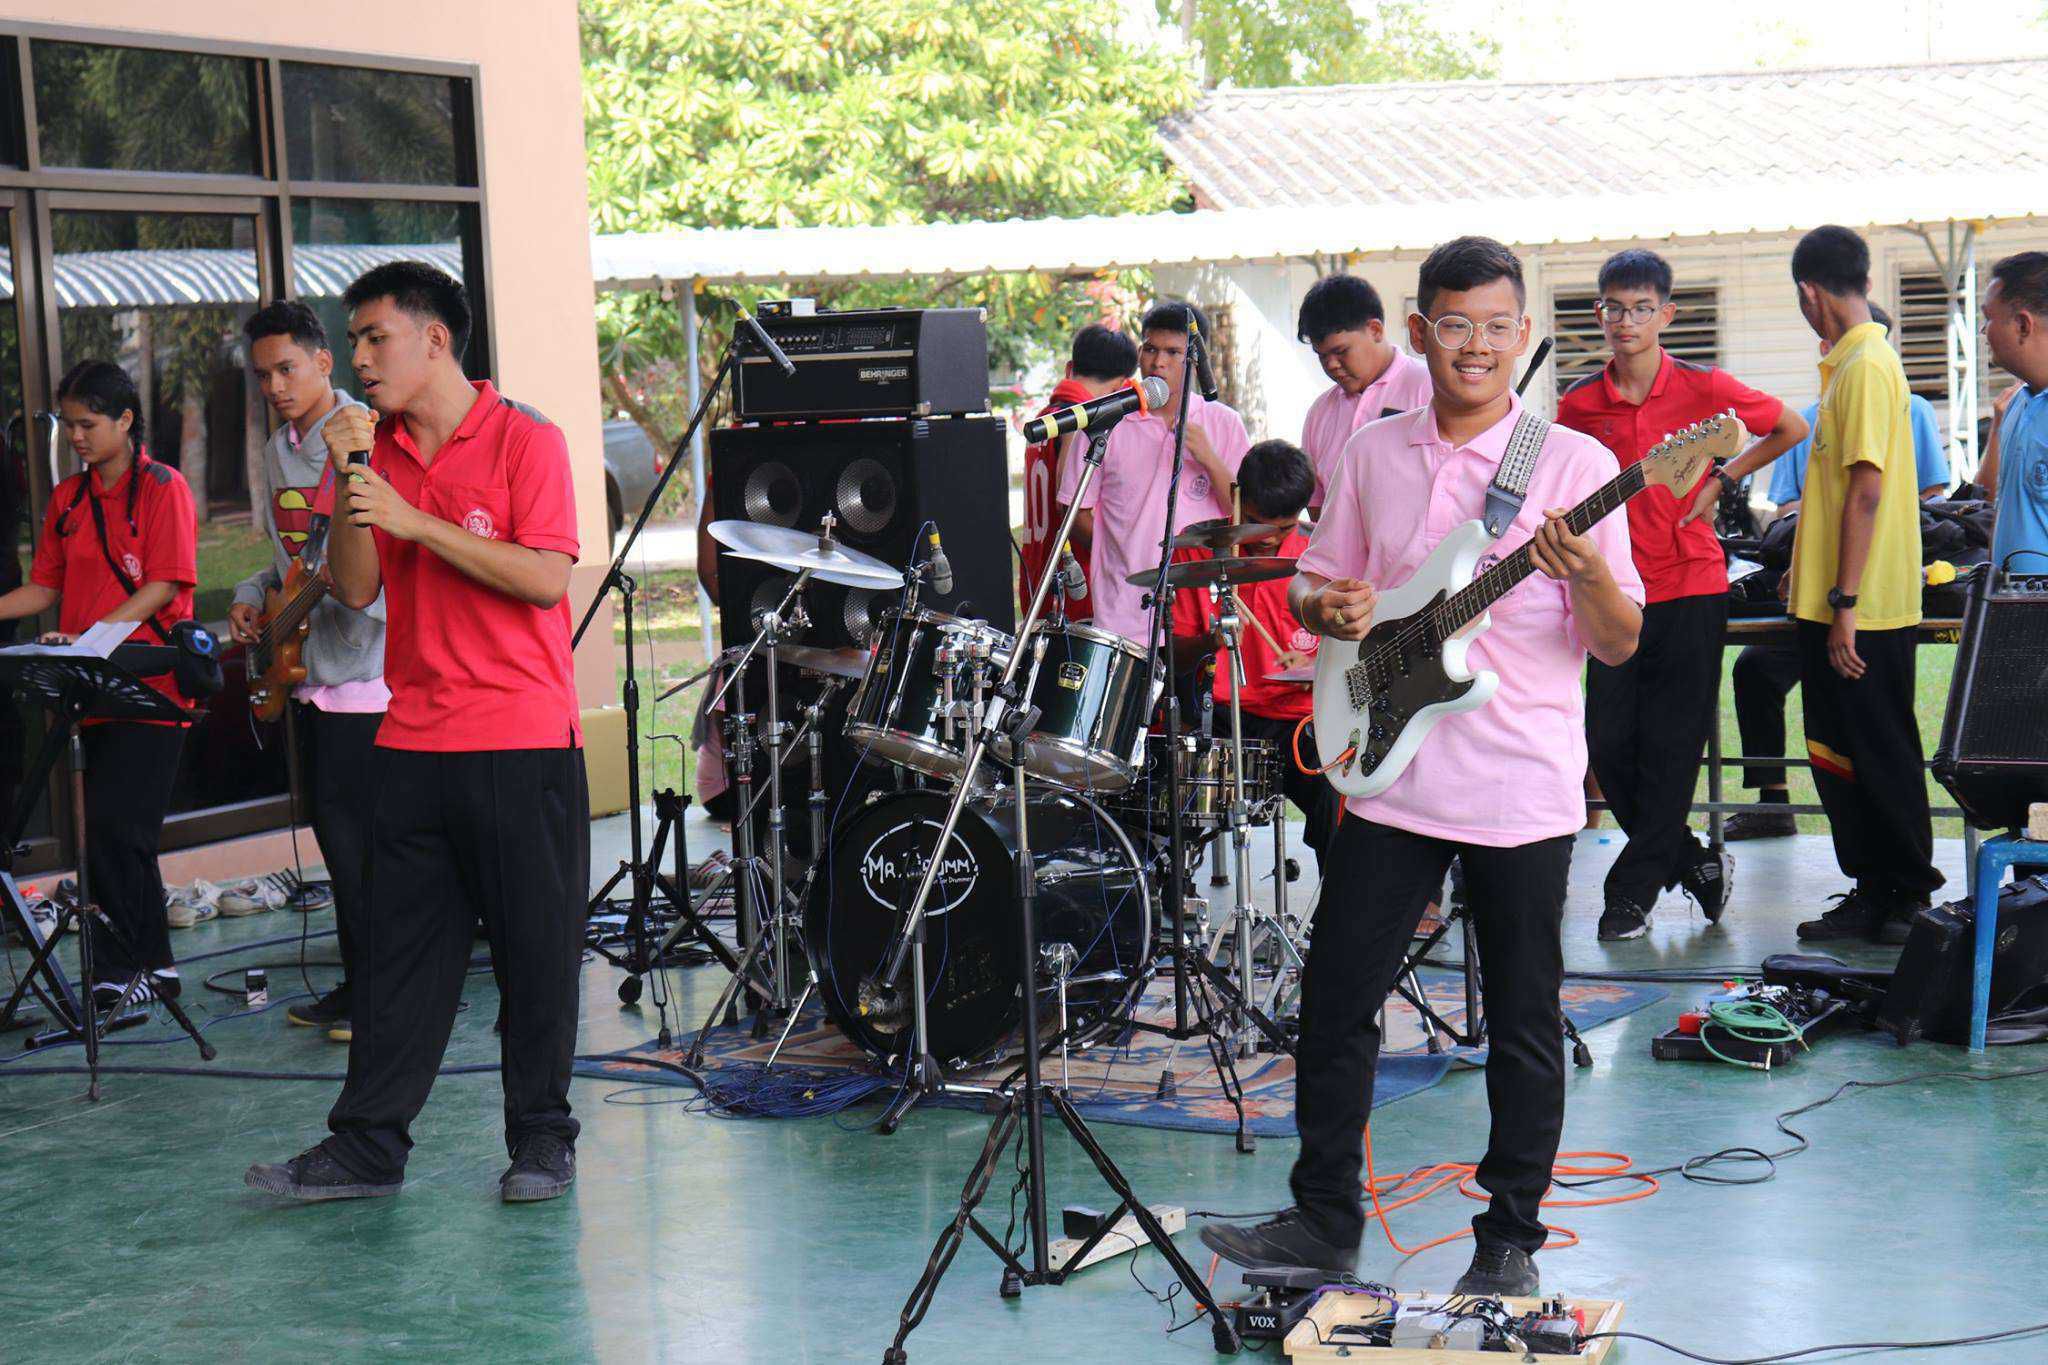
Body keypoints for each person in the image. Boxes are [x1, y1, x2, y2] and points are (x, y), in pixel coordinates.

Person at [1200, 237, 1643, 1296]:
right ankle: (1322, 1219)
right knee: (1334, 997)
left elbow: (1620, 639)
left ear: (1522, 335)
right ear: (1417, 332)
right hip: (1390, 776)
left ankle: (1508, 1241)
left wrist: (1585, 573)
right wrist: (1324, 606)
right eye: (1453, 325)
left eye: (1495, 327)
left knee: (1525, 1022)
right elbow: (1312, 583)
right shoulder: (1371, 452)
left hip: (1519, 783)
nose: (1474, 346)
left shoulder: (1572, 466)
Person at [245, 261, 589, 1204]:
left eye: (373, 337)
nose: (356, 358)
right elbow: (357, 588)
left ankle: (542, 1138)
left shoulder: (526, 437)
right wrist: (357, 472)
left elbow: (544, 578)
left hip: (520, 736)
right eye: (353, 340)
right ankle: (366, 1148)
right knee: (397, 962)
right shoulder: (370, 448)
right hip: (412, 737)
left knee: (534, 956)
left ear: (435, 339)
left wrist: (418, 519)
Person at [1556, 249, 1804, 940]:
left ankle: (1628, 895)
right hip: (1611, 592)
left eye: (1641, 308)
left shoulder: (1703, 387)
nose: (1625, 320)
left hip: (1691, 583)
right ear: (1599, 313)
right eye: (1613, 307)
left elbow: (1790, 426)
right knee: (1607, 745)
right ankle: (1693, 860)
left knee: (1671, 747)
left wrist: (1724, 479)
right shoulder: (1578, 404)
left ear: (1666, 314)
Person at [0, 361, 198, 1001]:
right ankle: (156, 968)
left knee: (119, 831)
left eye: (88, 423)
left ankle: (120, 971)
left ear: (125, 420)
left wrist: (90, 638)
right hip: (88, 691)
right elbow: (44, 588)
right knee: (114, 835)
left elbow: (164, 586)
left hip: (152, 688)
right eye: (70, 424)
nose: (77, 436)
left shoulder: (164, 487)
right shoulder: (68, 499)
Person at [1726, 302, 1952, 841]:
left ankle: (1900, 876)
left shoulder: (1899, 396)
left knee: (1874, 736)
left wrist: (1850, 592)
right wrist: (1803, 560)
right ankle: (1774, 801)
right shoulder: (1813, 415)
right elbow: (1793, 506)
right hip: (1818, 595)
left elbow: (1918, 496)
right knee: (1769, 680)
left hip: (1868, 598)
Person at [227, 300, 387, 1041]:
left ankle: (386, 1000)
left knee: (369, 852)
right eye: (262, 376)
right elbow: (288, 557)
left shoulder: (363, 437)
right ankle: (360, 986)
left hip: (371, 678)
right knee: (338, 850)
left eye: (287, 369)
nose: (275, 387)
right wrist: (251, 597)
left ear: (325, 361)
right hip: (310, 677)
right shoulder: (274, 451)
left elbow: (380, 560)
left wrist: (346, 591)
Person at [1782, 226, 1943, 945]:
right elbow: (1834, 493)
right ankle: (1872, 888)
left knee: (1881, 748)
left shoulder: (1869, 366)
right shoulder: (1845, 365)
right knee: (1835, 751)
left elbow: (1868, 492)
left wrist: (1845, 601)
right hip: (1832, 602)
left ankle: (1909, 890)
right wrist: (1806, 569)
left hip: (1866, 609)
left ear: (1809, 293)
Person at [1168, 439, 1336, 871]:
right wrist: (1208, 641)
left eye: (1285, 527)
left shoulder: (1322, 555)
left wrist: (1316, 665)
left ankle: (1339, 903)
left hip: (1298, 718)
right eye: (1259, 524)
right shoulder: (1197, 548)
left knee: (1340, 802)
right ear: (1237, 496)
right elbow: (1174, 659)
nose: (1271, 538)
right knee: (1162, 789)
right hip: (1220, 717)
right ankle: (1170, 896)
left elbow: (1353, 646)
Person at [1056, 301, 1249, 645]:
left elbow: (1243, 513)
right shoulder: (1106, 421)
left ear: (1196, 360)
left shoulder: (1225, 423)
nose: (1158, 362)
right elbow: (1073, 509)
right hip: (1123, 616)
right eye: (1150, 349)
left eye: (1173, 352)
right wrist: (1120, 550)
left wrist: (1208, 458)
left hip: (1202, 615)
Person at [1018, 323, 1137, 616]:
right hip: (1072, 585)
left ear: (1070, 368)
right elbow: (1069, 506)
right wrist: (1125, 556)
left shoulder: (1047, 418)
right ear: (1121, 386)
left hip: (1037, 575)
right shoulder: (1080, 422)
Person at [1295, 274, 1433, 515]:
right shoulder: (1319, 413)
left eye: (1341, 351)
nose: (1331, 364)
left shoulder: (1430, 390)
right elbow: (1318, 511)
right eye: (1322, 356)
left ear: (1375, 330)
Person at [1978, 251, 2048, 578]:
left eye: (1988, 318)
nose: (1983, 331)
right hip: (2011, 603)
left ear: (2022, 324)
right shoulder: (2016, 404)